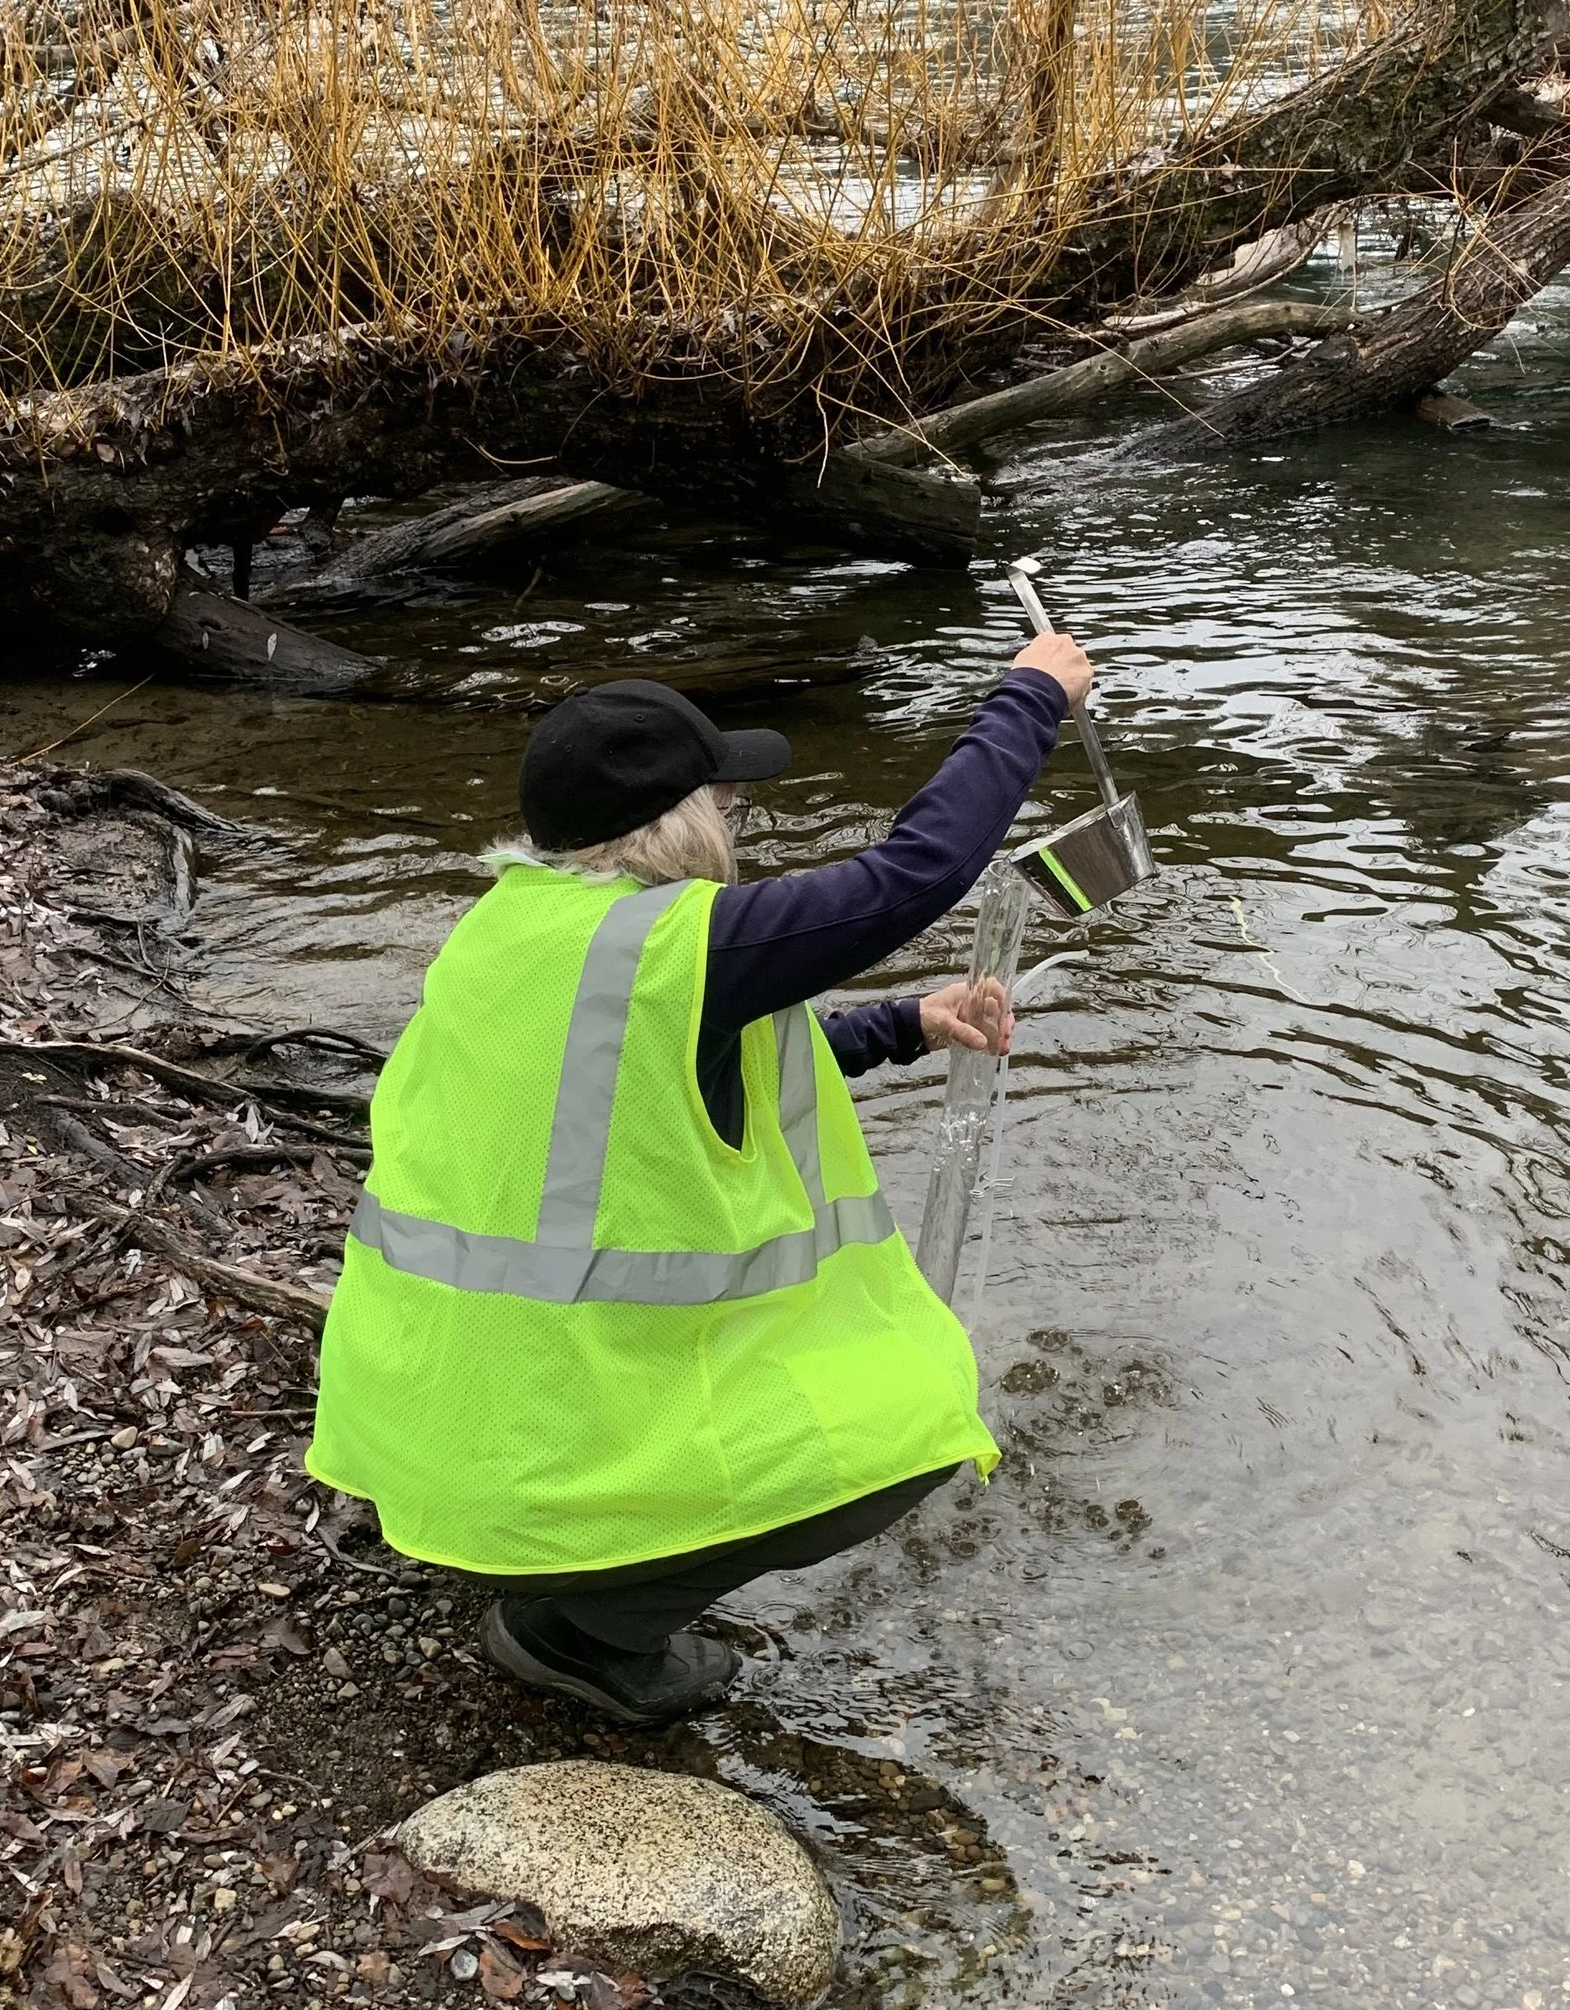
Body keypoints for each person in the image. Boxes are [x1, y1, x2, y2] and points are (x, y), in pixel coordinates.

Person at [308, 624, 1096, 1723]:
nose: (732, 824)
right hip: (550, 1425)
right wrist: (1026, 701)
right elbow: (913, 873)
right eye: (724, 804)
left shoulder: (514, 926)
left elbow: (665, 1075)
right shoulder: (693, 944)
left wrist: (905, 1025)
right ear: (667, 826)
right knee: (914, 1427)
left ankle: (564, 1563)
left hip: (434, 1414)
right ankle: (576, 1632)